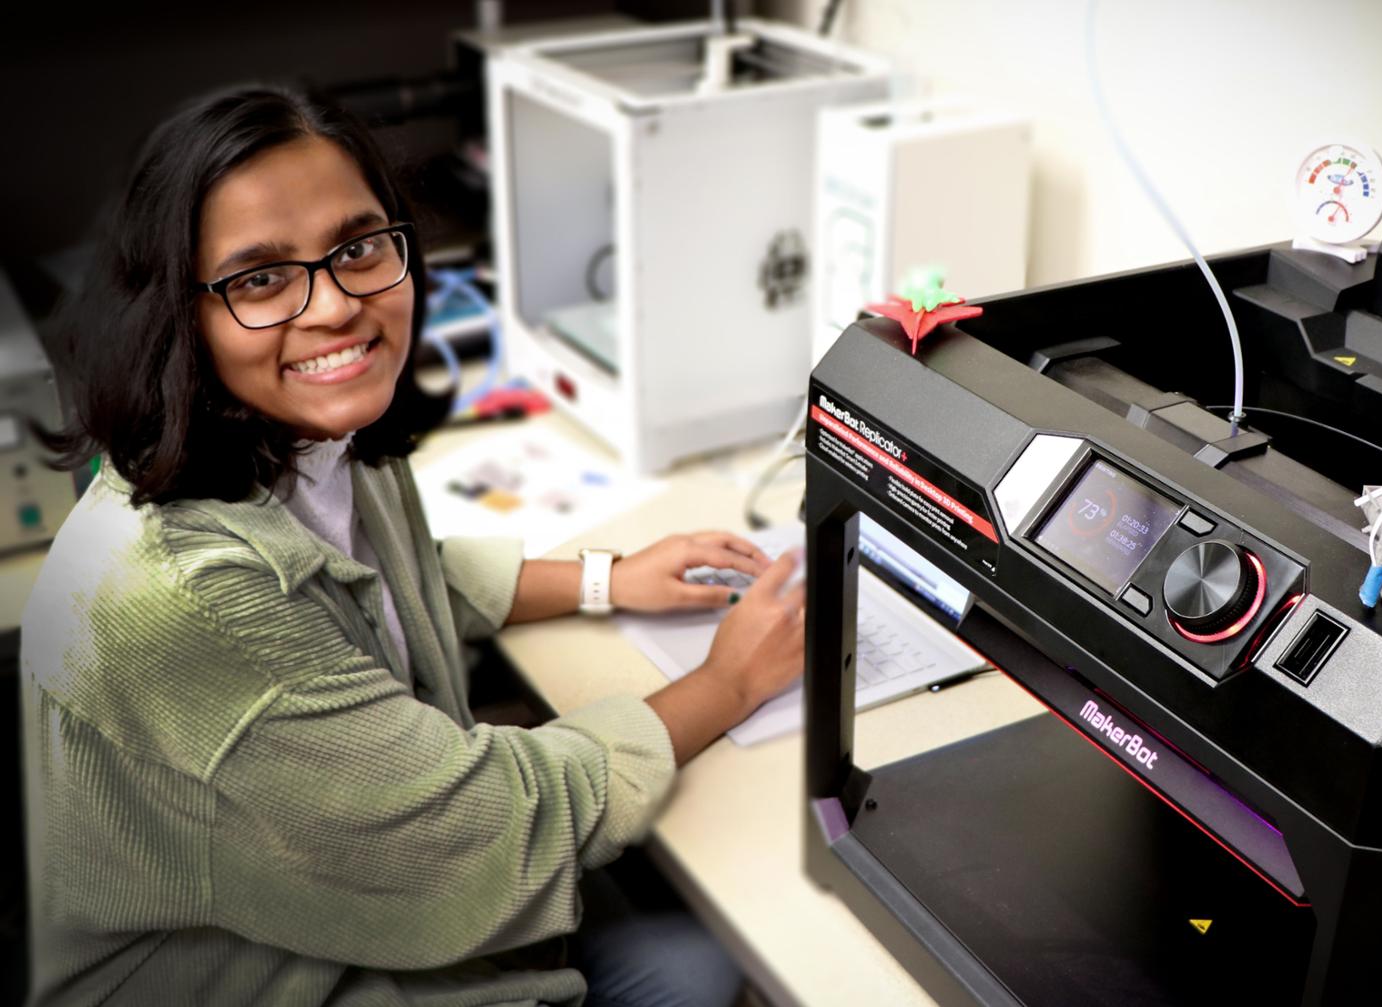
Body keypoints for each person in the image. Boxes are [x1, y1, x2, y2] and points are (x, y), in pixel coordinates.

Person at [20, 86, 806, 1007]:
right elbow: (483, 824)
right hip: (275, 978)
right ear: (175, 313)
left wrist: (610, 578)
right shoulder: (184, 601)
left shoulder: (301, 438)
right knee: (726, 962)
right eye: (260, 278)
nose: (336, 307)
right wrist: (729, 683)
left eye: (357, 248)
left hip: (342, 912)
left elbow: (390, 580)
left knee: (693, 952)